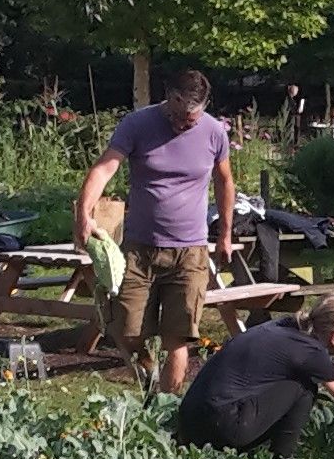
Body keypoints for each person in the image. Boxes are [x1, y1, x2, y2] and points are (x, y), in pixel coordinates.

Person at [76, 66, 235, 393]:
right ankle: (148, 376)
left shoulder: (214, 132)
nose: (188, 122)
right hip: (139, 249)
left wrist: (226, 234)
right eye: (183, 114)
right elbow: (104, 168)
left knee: (178, 339)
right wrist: (83, 213)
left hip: (190, 252)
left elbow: (224, 181)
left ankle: (167, 410)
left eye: (195, 116)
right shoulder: (137, 124)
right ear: (171, 97)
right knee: (125, 331)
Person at [172, 294, 334, 458]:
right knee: (304, 387)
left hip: (189, 423)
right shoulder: (310, 353)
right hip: (220, 428)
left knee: (302, 377)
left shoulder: (288, 329)